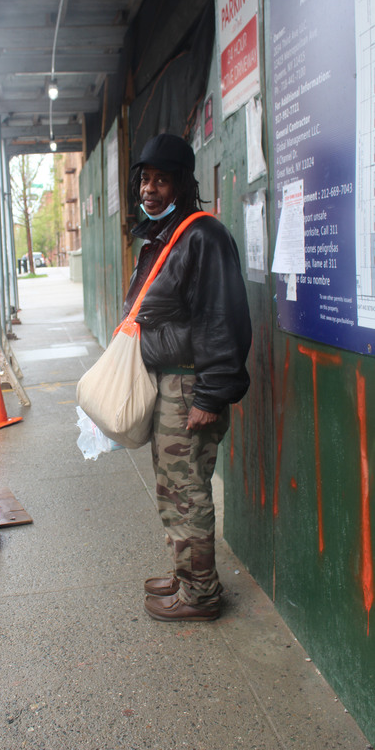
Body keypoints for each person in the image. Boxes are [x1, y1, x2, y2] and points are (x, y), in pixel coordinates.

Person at [123, 133, 252, 622]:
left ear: (182, 184)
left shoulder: (203, 235)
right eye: (145, 179)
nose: (150, 189)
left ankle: (201, 595)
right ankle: (185, 573)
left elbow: (222, 318)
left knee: (188, 491)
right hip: (168, 382)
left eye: (162, 180)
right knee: (172, 488)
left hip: (189, 386)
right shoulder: (164, 236)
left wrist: (211, 395)